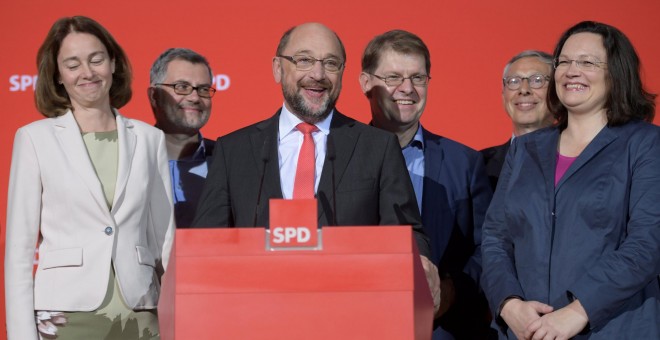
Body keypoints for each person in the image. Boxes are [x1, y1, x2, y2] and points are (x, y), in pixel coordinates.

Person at [193, 22, 440, 311]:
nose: (318, 74)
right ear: (277, 68)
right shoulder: (233, 150)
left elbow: (407, 233)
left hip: (350, 316)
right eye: (304, 60)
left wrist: (418, 261)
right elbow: (205, 245)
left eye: (331, 63)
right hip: (255, 316)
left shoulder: (377, 147)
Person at [481, 21, 660, 339]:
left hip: (612, 328)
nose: (571, 71)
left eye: (587, 62)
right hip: (527, 332)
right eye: (564, 61)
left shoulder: (645, 143)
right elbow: (495, 239)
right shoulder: (525, 149)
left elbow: (647, 243)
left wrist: (579, 311)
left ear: (616, 73)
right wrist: (508, 304)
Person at [4, 16, 175, 339]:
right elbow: (19, 250)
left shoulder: (148, 138)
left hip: (140, 312)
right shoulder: (34, 139)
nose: (87, 72)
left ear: (113, 63)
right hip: (65, 315)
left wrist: (178, 316)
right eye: (72, 64)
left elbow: (165, 238)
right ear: (57, 76)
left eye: (96, 59)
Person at [359, 29, 493, 339]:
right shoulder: (337, 158)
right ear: (366, 83)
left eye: (418, 78)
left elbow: (489, 249)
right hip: (360, 325)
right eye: (393, 77)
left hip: (443, 330)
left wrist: (450, 292)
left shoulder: (465, 163)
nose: (407, 89)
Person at [148, 48, 216, 228]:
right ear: (154, 96)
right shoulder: (127, 157)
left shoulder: (230, 162)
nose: (194, 97)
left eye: (203, 89)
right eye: (182, 87)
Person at [480, 50, 554, 191]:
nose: (524, 89)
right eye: (514, 81)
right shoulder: (480, 165)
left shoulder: (579, 158)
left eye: (537, 80)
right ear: (503, 95)